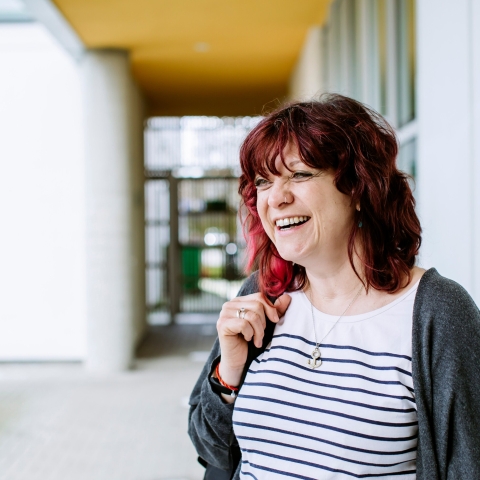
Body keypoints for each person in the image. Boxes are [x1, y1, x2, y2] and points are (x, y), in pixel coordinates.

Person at [188, 94, 480, 480]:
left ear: (359, 187)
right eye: (263, 181)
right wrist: (228, 372)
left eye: (301, 174)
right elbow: (211, 450)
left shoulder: (435, 312)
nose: (276, 197)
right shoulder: (262, 294)